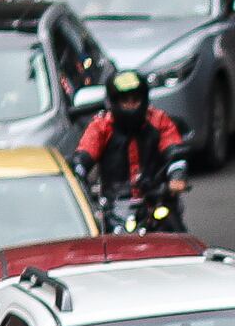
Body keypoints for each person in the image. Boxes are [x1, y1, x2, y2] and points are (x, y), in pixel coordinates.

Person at [77, 68, 185, 229]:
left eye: (135, 100)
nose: (131, 105)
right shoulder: (101, 126)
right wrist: (79, 182)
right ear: (114, 102)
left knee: (178, 236)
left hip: (156, 200)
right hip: (114, 207)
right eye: (125, 101)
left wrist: (177, 177)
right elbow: (82, 158)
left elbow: (174, 153)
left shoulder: (159, 120)